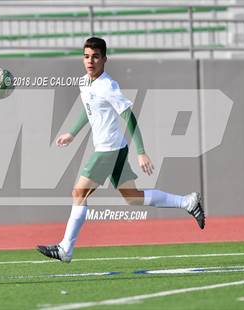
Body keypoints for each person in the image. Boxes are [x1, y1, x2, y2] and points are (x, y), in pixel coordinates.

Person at [37, 37, 204, 262]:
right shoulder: (84, 82)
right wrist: (72, 133)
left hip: (109, 150)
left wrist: (141, 151)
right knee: (132, 198)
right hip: (116, 148)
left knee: (79, 193)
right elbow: (88, 110)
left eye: (96, 57)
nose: (90, 61)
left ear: (105, 59)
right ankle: (187, 202)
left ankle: (66, 248)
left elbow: (129, 116)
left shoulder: (108, 85)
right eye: (86, 56)